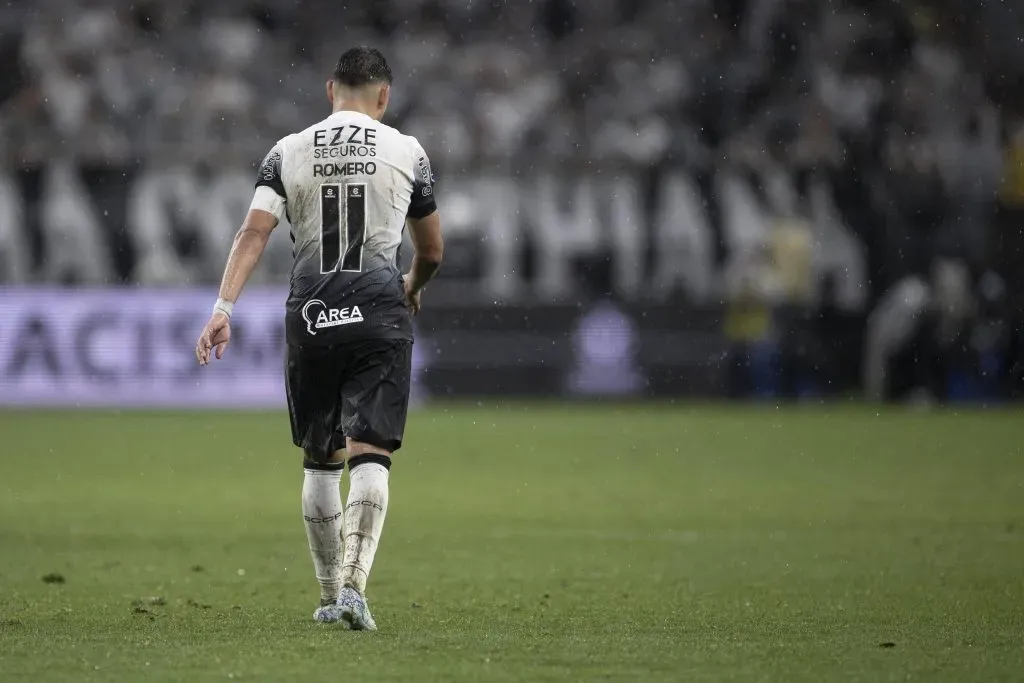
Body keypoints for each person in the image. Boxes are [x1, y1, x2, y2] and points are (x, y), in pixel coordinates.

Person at [194, 47, 443, 630]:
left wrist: (222, 307)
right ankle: (357, 587)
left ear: (330, 90)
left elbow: (253, 232)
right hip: (380, 308)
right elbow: (432, 250)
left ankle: (331, 595)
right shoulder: (408, 151)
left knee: (320, 459)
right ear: (384, 97)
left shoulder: (288, 150)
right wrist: (411, 284)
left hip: (313, 311)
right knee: (371, 450)